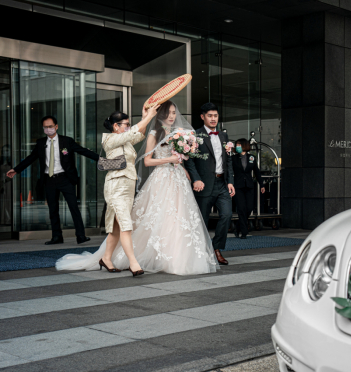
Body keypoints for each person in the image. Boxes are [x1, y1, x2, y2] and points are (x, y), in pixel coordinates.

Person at [55, 102, 218, 276]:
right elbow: (140, 144)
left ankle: (107, 257)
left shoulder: (128, 141)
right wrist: (149, 117)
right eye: (125, 124)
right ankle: (134, 263)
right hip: (116, 187)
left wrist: (144, 119)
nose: (172, 116)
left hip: (128, 185)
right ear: (116, 126)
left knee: (117, 228)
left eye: (173, 113)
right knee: (126, 225)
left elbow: (138, 135)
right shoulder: (110, 139)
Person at [6, 116, 99, 245]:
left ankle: (81, 236)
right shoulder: (40, 143)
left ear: (56, 126)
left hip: (65, 179)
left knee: (73, 207)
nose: (48, 129)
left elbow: (83, 151)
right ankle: (57, 237)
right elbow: (30, 158)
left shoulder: (67, 141)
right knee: (53, 209)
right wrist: (16, 170)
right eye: (45, 127)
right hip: (49, 180)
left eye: (50, 126)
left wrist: (102, 160)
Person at [184, 102, 235, 265]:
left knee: (227, 215)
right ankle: (202, 251)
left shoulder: (224, 136)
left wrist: (230, 181)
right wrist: (196, 178)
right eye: (210, 116)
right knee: (202, 220)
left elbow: (228, 160)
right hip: (204, 184)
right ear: (202, 117)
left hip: (222, 183)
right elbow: (189, 160)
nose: (213, 119)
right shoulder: (195, 135)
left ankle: (216, 248)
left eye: (215, 115)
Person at [231, 138, 265, 239]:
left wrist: (262, 185)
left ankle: (238, 227)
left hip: (249, 186)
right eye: (236, 145)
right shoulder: (233, 158)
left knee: (249, 208)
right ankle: (244, 232)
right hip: (238, 186)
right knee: (241, 208)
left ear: (244, 146)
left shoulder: (251, 157)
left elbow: (257, 172)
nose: (237, 147)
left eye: (239, 145)